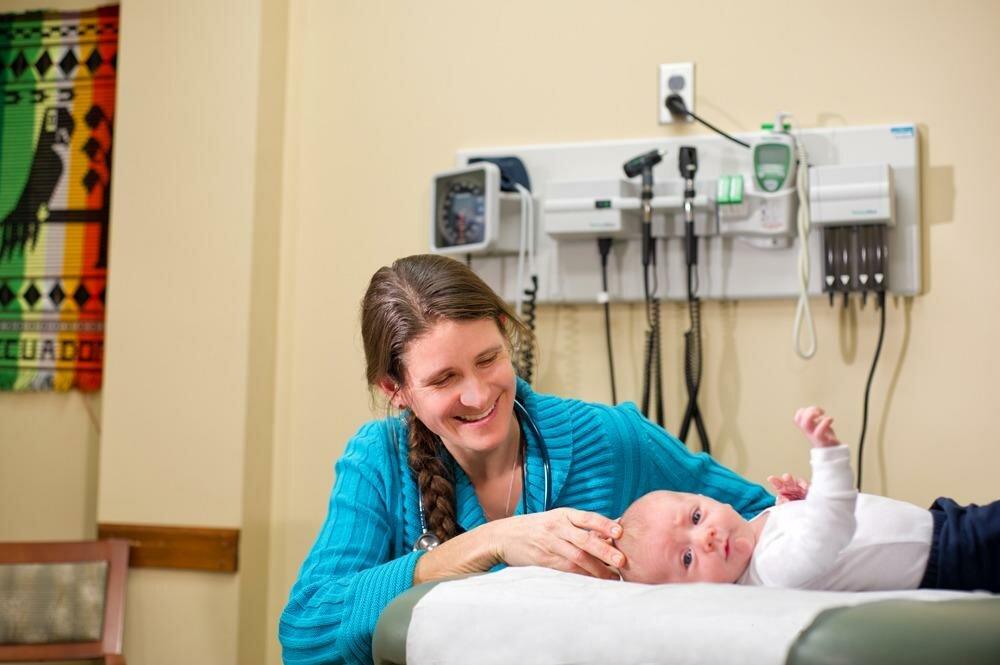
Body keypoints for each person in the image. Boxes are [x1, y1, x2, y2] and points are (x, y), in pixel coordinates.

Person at [278, 254, 774, 664]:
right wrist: (484, 545)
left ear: (503, 333)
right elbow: (304, 635)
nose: (477, 395)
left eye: (488, 359)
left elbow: (764, 521)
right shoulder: (379, 461)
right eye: (443, 379)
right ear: (396, 389)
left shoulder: (612, 441)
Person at [615, 406, 1000, 593]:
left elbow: (825, 522)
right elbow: (831, 528)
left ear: (706, 498)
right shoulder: (772, 572)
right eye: (687, 558)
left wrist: (800, 502)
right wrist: (828, 456)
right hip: (949, 556)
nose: (706, 537)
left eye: (696, 517)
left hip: (939, 523)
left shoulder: (758, 532)